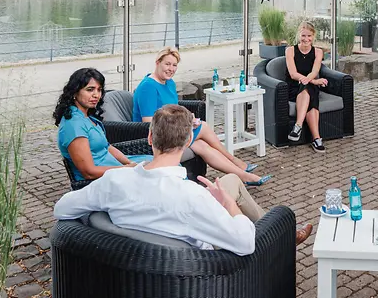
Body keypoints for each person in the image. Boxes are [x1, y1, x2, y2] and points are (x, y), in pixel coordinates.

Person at [54, 104, 313, 254]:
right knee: (230, 191)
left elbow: (62, 208)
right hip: (205, 267)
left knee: (231, 180)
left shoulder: (114, 184)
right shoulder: (193, 198)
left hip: (144, 261)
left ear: (150, 138)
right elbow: (245, 243)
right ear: (189, 141)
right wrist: (228, 206)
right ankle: (283, 233)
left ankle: (243, 189)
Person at [133, 47, 271, 186]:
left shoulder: (169, 83)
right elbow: (148, 122)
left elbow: (172, 110)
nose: (171, 69)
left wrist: (187, 118)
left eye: (174, 65)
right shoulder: (148, 87)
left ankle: (244, 176)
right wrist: (184, 123)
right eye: (167, 64)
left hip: (172, 130)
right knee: (203, 126)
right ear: (158, 62)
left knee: (202, 145)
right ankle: (235, 161)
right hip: (156, 136)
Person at [55, 68, 152, 181]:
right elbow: (89, 172)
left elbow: (107, 147)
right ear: (75, 92)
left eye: (99, 90)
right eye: (90, 89)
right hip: (102, 180)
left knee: (162, 163)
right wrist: (127, 169)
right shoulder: (74, 125)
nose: (96, 95)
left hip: (114, 167)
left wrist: (130, 163)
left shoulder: (86, 117)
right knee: (161, 171)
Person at [285, 22, 329, 152]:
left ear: (313, 36)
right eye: (303, 35)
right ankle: (316, 139)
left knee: (308, 91)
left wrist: (311, 80)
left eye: (309, 36)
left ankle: (297, 127)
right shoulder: (290, 50)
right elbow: (293, 74)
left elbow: (314, 72)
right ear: (299, 35)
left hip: (309, 84)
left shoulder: (318, 52)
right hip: (293, 86)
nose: (306, 39)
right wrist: (315, 82)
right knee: (308, 90)